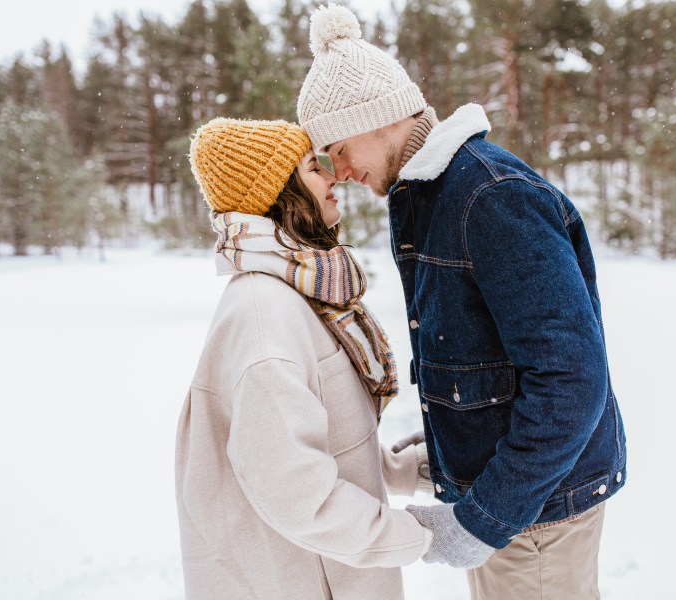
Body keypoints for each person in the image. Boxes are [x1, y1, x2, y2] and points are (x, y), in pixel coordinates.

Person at [296, 4, 627, 599]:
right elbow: (488, 351)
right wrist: (454, 438)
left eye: (339, 149)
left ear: (378, 119)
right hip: (512, 503)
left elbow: (571, 380)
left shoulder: (489, 198)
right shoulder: (433, 197)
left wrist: (484, 520)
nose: (338, 172)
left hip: (536, 518)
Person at [174, 116, 435, 600]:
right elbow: (297, 494)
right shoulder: (265, 320)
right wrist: (422, 536)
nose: (333, 176)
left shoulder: (297, 293)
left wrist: (406, 471)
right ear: (279, 193)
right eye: (312, 168)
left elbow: (308, 443)